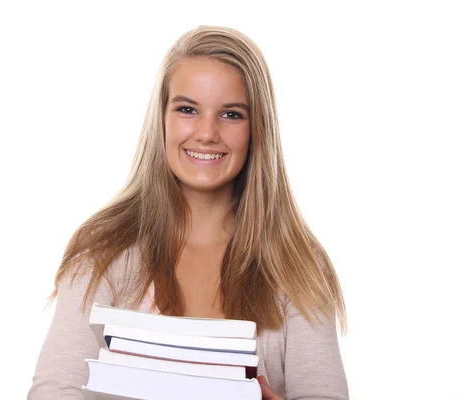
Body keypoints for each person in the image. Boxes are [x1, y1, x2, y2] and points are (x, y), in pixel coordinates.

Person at [27, 25, 349, 400]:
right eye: (187, 109)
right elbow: (54, 391)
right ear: (162, 117)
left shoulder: (296, 263)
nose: (207, 133)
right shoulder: (103, 250)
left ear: (257, 127)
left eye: (231, 114)